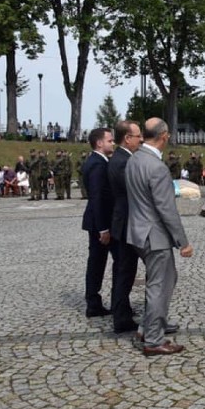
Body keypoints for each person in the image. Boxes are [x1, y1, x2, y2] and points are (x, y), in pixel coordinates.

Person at [126, 118, 193, 356]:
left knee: (166, 278)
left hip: (138, 232)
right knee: (160, 285)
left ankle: (152, 324)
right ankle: (153, 339)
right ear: (164, 135)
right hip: (154, 236)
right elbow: (166, 209)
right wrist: (182, 242)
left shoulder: (134, 159)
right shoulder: (156, 167)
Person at [107, 121, 142, 333]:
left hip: (124, 221)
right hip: (126, 223)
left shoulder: (121, 158)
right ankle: (121, 318)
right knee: (124, 272)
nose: (141, 140)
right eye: (138, 136)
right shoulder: (123, 162)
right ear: (127, 138)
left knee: (124, 271)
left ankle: (123, 310)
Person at [81, 128, 116, 317]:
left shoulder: (98, 161)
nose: (113, 143)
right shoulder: (97, 164)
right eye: (110, 140)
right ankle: (93, 303)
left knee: (97, 262)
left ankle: (94, 302)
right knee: (96, 263)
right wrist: (103, 227)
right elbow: (97, 198)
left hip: (98, 221)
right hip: (98, 223)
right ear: (99, 143)